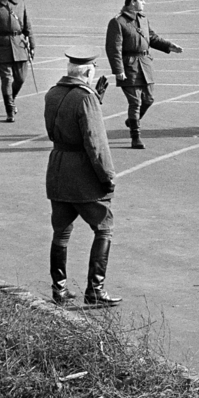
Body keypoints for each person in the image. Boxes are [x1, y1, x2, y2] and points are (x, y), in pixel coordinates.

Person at [44, 49, 119, 307]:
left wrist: (94, 98)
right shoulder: (86, 99)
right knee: (104, 228)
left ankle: (59, 289)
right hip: (83, 174)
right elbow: (95, 142)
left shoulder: (52, 93)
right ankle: (95, 289)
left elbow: (63, 124)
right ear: (87, 72)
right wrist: (107, 176)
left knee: (61, 233)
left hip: (57, 169)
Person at [105, 0, 184, 149]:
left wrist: (169, 46)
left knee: (148, 99)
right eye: (141, 0)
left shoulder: (143, 19)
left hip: (145, 63)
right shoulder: (118, 22)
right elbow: (114, 48)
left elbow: (152, 38)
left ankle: (132, 121)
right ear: (132, 2)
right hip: (129, 65)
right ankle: (136, 137)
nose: (144, 3)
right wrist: (118, 70)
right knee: (135, 102)